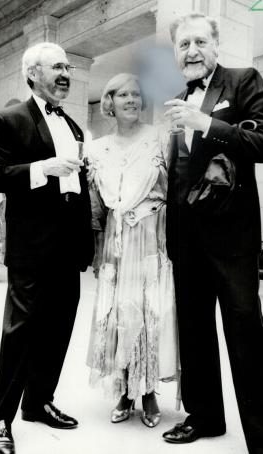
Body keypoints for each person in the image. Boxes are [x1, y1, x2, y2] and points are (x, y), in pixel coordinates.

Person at [162, 13, 263, 454]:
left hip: (232, 241)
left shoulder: (243, 81)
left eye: (199, 42)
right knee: (194, 334)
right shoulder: (177, 99)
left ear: (216, 46)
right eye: (183, 45)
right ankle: (205, 416)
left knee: (246, 335)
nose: (191, 51)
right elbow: (180, 175)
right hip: (187, 242)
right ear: (175, 53)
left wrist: (206, 124)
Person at [0, 42, 94, 454]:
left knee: (59, 328)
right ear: (33, 74)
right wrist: (40, 169)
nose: (66, 74)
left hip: (69, 246)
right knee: (20, 333)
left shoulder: (74, 126)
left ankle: (39, 402)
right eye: (57, 67)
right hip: (32, 248)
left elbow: (77, 187)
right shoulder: (8, 118)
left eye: (68, 67)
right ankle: (0, 421)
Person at [86, 73, 179, 428]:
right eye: (122, 94)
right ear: (108, 101)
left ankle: (150, 390)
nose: (130, 100)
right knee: (119, 313)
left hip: (152, 236)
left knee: (149, 309)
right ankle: (125, 390)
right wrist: (97, 249)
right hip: (116, 240)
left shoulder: (159, 138)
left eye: (136, 94)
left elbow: (174, 187)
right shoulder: (98, 148)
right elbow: (95, 204)